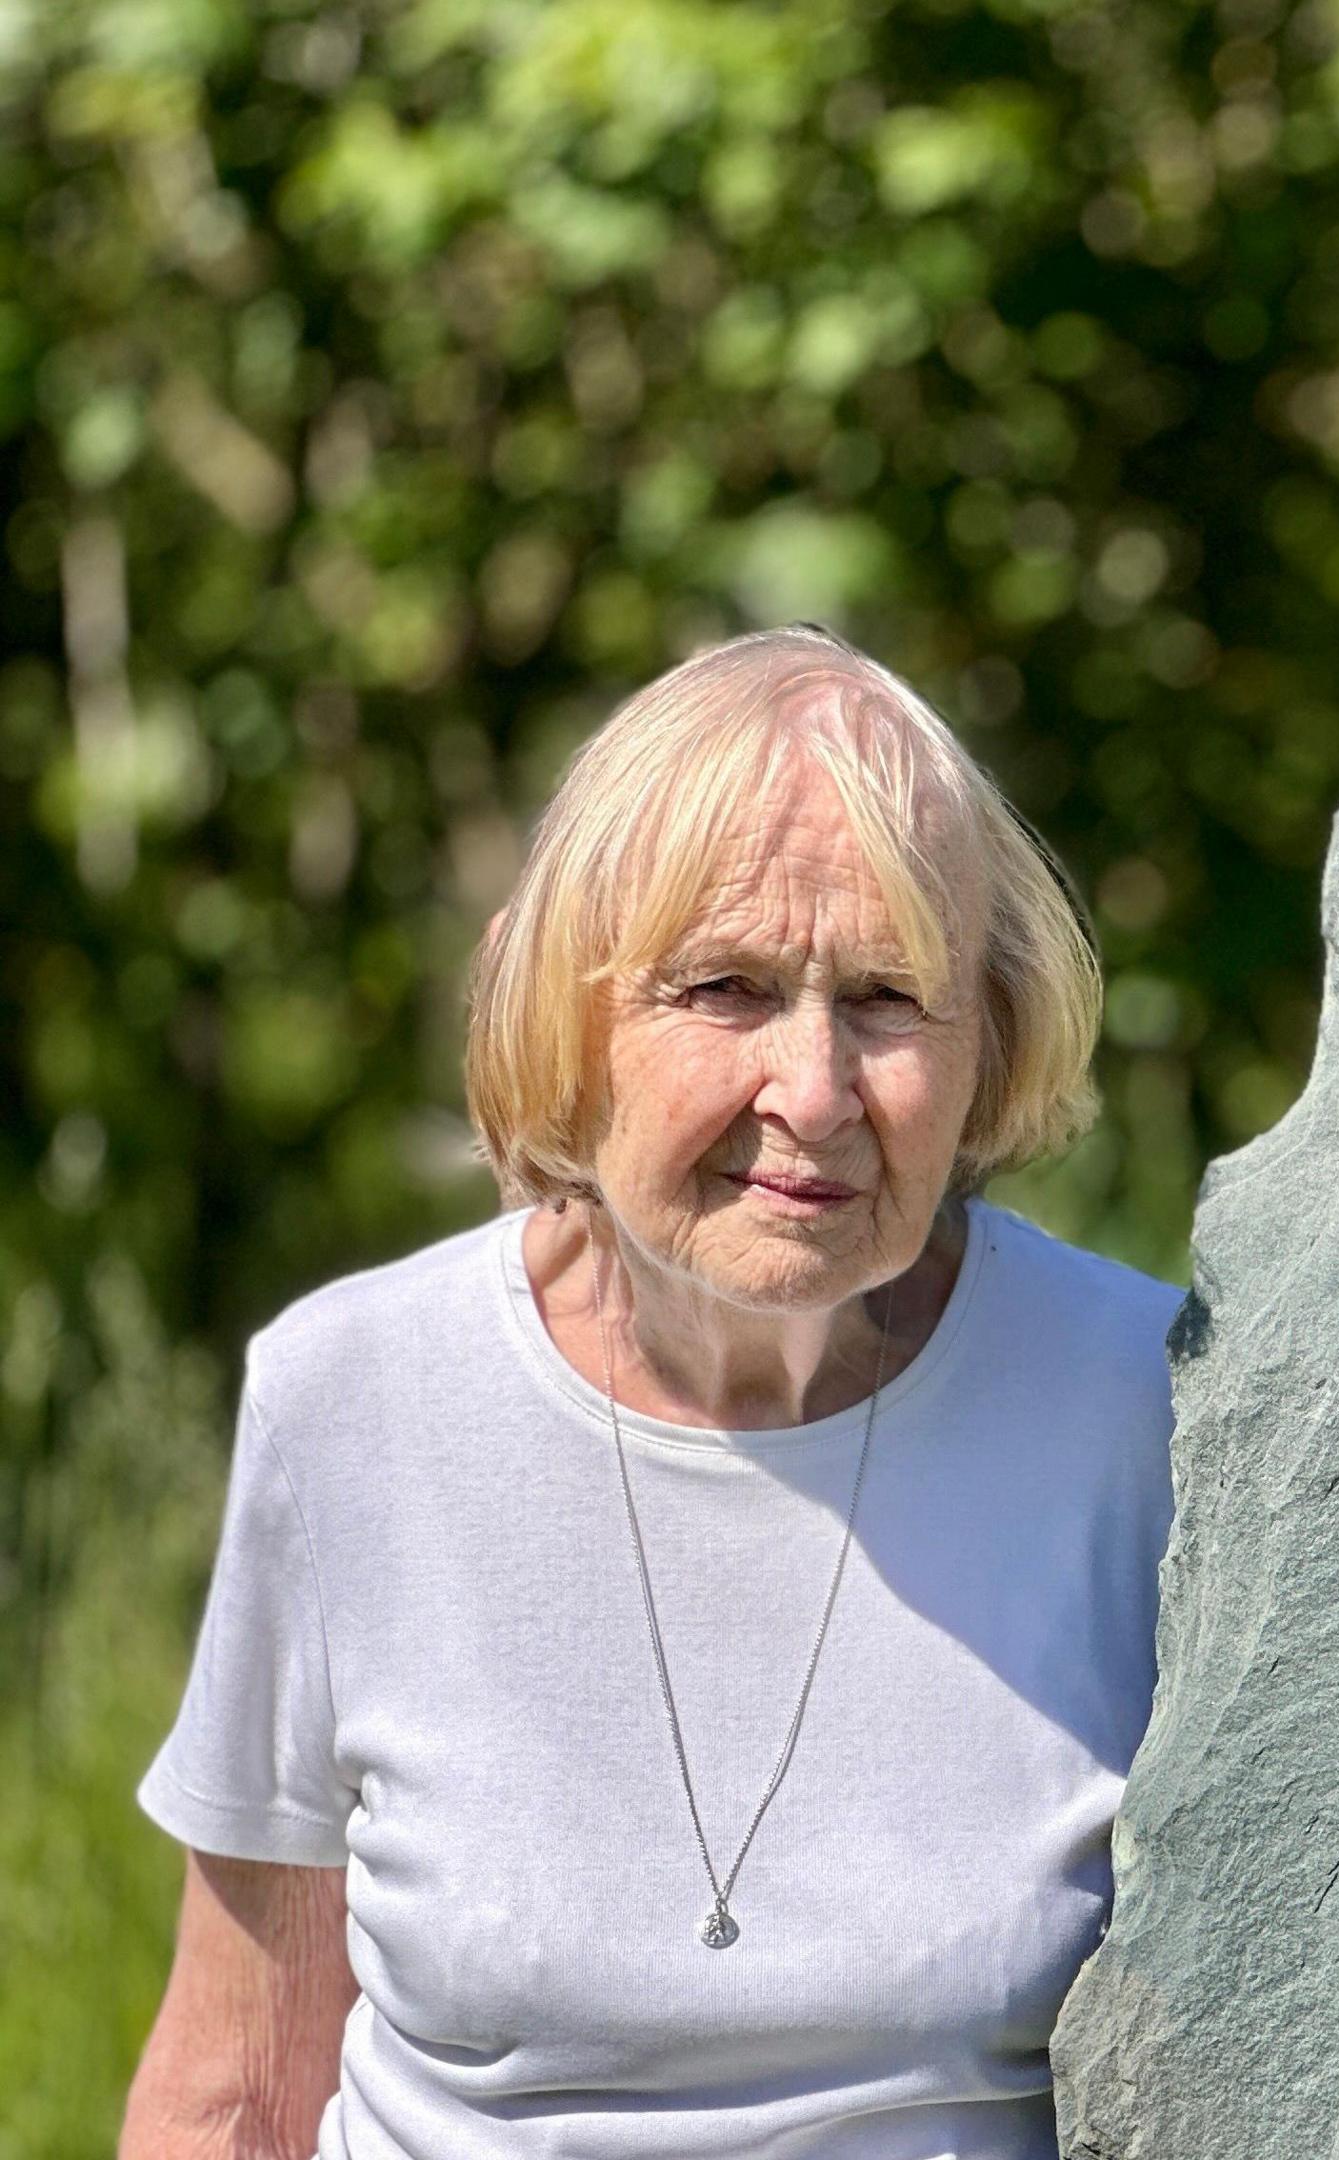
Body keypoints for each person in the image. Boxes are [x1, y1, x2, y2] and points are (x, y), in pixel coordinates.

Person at [120, 626, 1183, 2157]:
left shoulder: (1137, 1407)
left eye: (889, 998)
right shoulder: (354, 1403)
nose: (813, 1094)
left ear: (992, 1039)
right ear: (566, 1014)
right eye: (727, 989)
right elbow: (232, 2090)